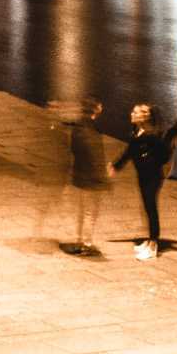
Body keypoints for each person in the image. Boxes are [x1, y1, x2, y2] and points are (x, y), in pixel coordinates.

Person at [112, 105, 177, 260]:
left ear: (145, 117)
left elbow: (162, 153)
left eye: (136, 112)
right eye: (133, 111)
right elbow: (130, 151)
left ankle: (153, 246)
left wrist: (121, 165)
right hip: (143, 175)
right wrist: (117, 166)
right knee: (146, 207)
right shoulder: (138, 132)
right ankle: (150, 240)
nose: (132, 113)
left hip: (152, 176)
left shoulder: (151, 134)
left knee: (151, 208)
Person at [61, 98, 108, 254]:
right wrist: (102, 178)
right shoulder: (91, 131)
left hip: (81, 175)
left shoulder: (79, 128)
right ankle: (86, 244)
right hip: (91, 179)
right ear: (95, 110)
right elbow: (95, 156)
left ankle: (81, 240)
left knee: (84, 211)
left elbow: (74, 150)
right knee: (90, 212)